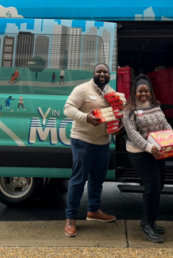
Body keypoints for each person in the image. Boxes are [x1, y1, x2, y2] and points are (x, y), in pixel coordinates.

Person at [63, 63, 116, 237]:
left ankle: (93, 211)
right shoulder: (82, 89)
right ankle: (70, 218)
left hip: (103, 142)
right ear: (93, 73)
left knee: (97, 180)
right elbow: (68, 108)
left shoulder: (111, 93)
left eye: (105, 71)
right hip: (83, 141)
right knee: (78, 181)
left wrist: (118, 123)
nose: (102, 74)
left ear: (109, 75)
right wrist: (86, 117)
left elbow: (115, 113)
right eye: (99, 71)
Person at [122, 74, 172, 243]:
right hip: (140, 152)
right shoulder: (129, 110)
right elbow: (133, 134)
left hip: (158, 150)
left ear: (150, 92)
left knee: (160, 185)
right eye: (140, 91)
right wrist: (150, 148)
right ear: (134, 92)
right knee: (152, 187)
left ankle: (151, 220)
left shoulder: (155, 106)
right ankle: (146, 224)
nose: (143, 94)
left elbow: (165, 124)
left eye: (146, 91)